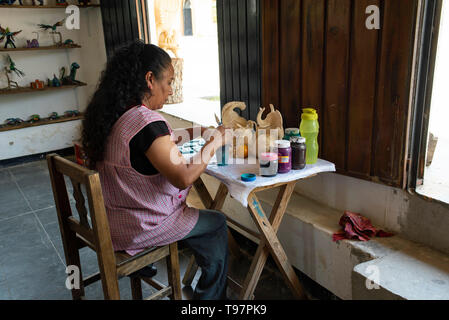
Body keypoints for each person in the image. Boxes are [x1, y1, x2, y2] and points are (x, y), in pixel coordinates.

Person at [82, 40, 229, 300]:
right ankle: (209, 301)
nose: (171, 91)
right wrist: (215, 141)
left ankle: (146, 266)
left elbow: (153, 143)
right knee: (216, 223)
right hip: (141, 226)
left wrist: (197, 132)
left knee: (197, 220)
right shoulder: (146, 121)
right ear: (150, 79)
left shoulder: (114, 113)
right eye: (169, 82)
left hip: (115, 220)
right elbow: (183, 177)